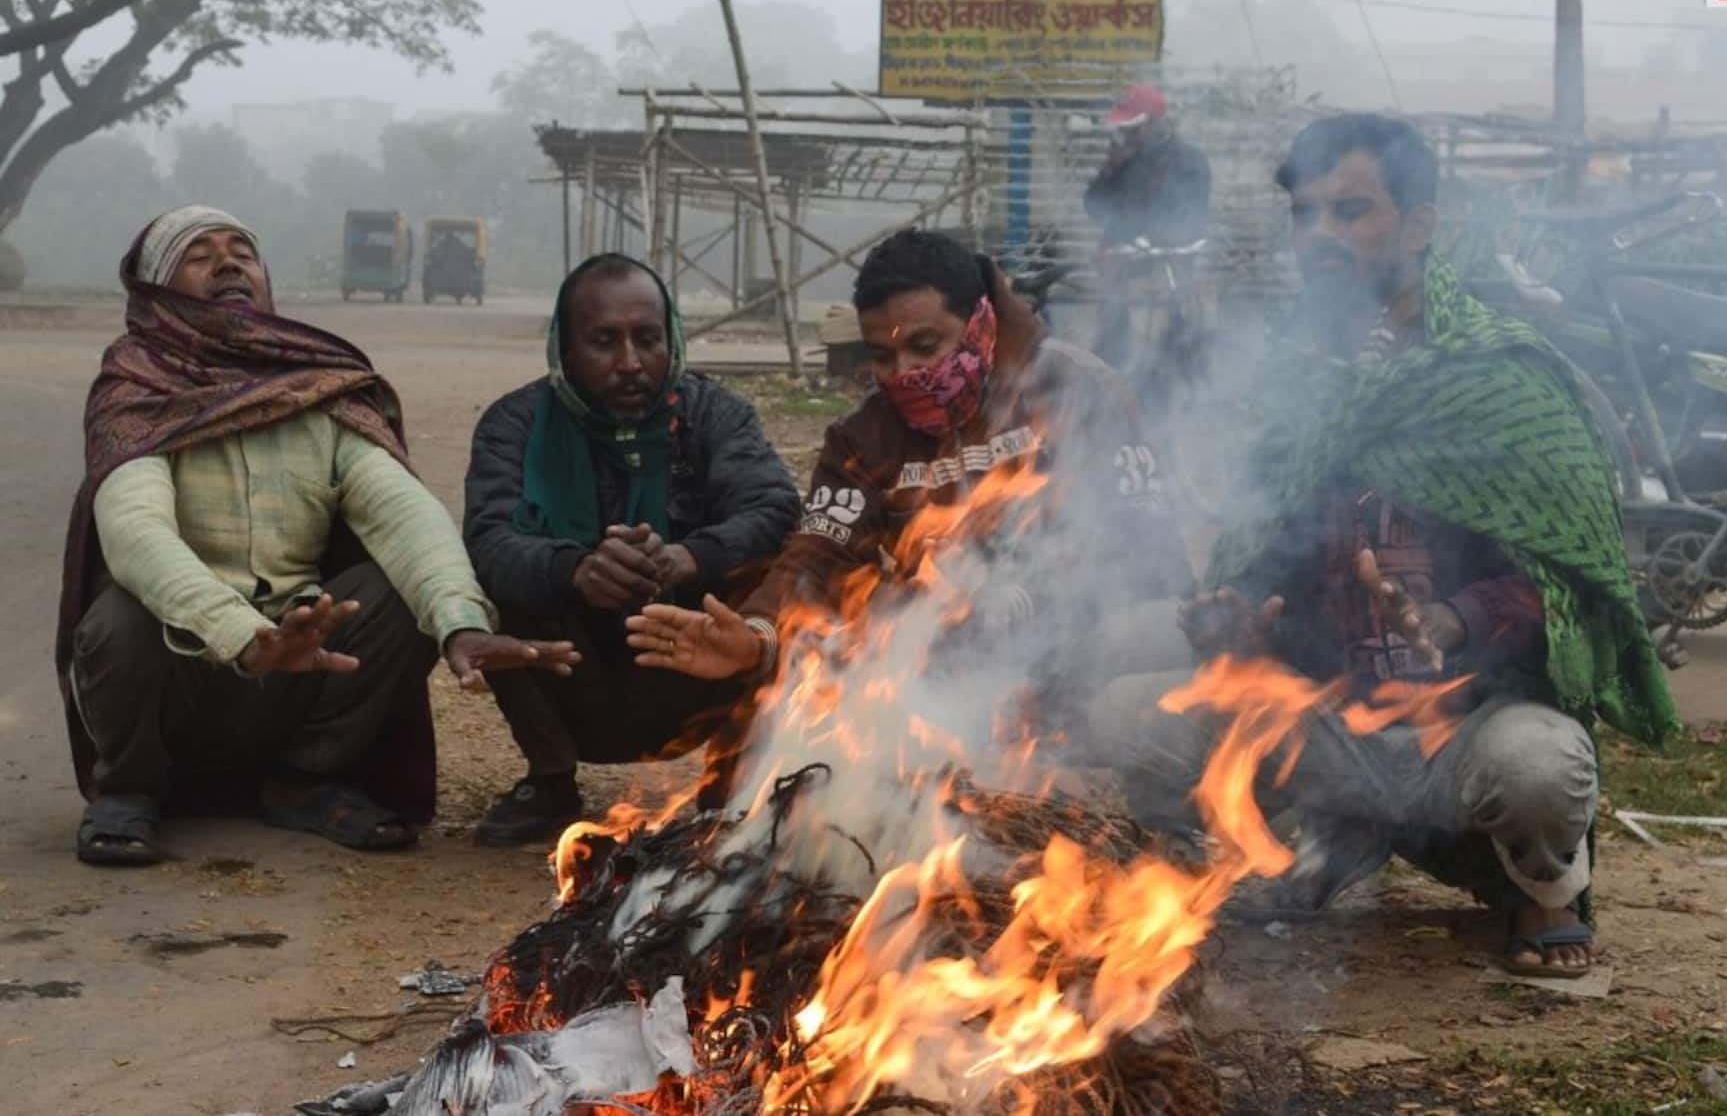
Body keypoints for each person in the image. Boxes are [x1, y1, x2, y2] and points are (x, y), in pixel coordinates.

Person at [1082, 115, 1680, 978]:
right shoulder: (1289, 378)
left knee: (1541, 766)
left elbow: (1567, 583)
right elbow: (1262, 540)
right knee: (1140, 724)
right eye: (1305, 214)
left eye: (1351, 211)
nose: (1319, 236)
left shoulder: (1499, 374)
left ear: (1419, 225)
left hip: (1468, 731)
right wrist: (1242, 612)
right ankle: (1320, 841)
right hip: (1326, 722)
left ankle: (1538, 888)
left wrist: (1455, 616)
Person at [55, 206, 578, 868]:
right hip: (182, 662)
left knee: (394, 591)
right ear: (158, 292)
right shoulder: (136, 389)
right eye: (200, 253)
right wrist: (242, 634)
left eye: (242, 248)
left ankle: (304, 779)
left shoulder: (319, 389)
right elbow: (135, 532)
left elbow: (403, 513)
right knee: (118, 617)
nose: (229, 262)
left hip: (303, 663)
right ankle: (129, 790)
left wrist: (459, 621)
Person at [623, 228, 1192, 702]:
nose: (904, 373)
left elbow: (1147, 554)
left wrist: (1028, 603)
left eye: (926, 346)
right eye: (882, 355)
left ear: (982, 324)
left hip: (1082, 653)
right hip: (941, 673)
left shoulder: (1078, 388)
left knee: (1165, 642)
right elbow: (814, 558)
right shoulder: (862, 438)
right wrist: (756, 637)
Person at [461, 253, 801, 845]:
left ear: (670, 339)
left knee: (785, 577)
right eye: (603, 342)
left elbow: (774, 508)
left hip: (693, 661)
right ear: (563, 349)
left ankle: (733, 774)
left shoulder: (716, 414)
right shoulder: (512, 424)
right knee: (482, 589)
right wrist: (575, 569)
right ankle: (549, 779)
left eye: (647, 339)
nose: (629, 363)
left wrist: (688, 557)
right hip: (574, 672)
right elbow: (490, 539)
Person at [1082, 83, 1213, 368]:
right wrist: (1109, 170)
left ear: (1156, 124)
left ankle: (1186, 372)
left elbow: (1191, 217)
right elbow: (1094, 206)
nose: (1127, 134)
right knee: (1111, 339)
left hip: (1169, 270)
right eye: (1125, 128)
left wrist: (1151, 238)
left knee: (1181, 337)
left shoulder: (1189, 161)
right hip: (1124, 272)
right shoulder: (1126, 159)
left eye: (1134, 127)